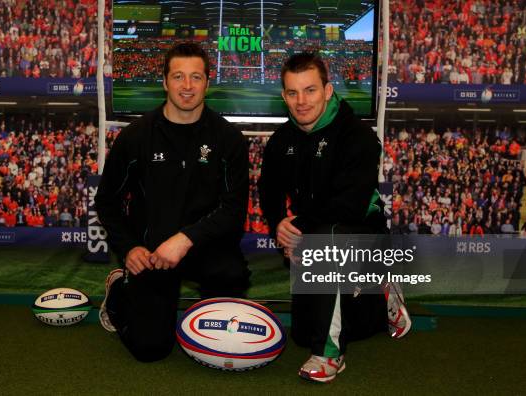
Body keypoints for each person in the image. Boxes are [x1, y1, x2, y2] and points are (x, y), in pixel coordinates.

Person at [259, 53, 411, 383]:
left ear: (328, 91)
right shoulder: (282, 140)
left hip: (361, 235)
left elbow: (350, 205)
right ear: (284, 95)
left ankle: (329, 355)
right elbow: (267, 189)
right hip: (312, 233)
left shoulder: (357, 136)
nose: (301, 101)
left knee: (327, 238)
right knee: (302, 332)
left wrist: (298, 228)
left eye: (310, 90)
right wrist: (279, 226)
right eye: (293, 92)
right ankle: (380, 292)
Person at [95, 42, 250, 362]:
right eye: (178, 76)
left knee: (231, 277)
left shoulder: (228, 138)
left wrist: (186, 238)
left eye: (196, 77)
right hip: (151, 253)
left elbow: (234, 211)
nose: (188, 86)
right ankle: (121, 292)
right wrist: (129, 249)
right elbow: (107, 201)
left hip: (205, 249)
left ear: (208, 81)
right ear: (164, 82)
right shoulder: (136, 136)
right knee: (150, 349)